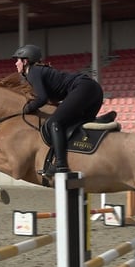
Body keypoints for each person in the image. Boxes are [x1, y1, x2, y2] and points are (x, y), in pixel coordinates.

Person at [13, 44, 104, 176]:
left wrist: (28, 108)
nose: (16, 63)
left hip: (82, 88)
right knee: (75, 124)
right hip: (95, 90)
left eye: (18, 60)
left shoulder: (33, 72)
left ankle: (60, 165)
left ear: (25, 61)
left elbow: (42, 98)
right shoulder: (39, 71)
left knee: (54, 123)